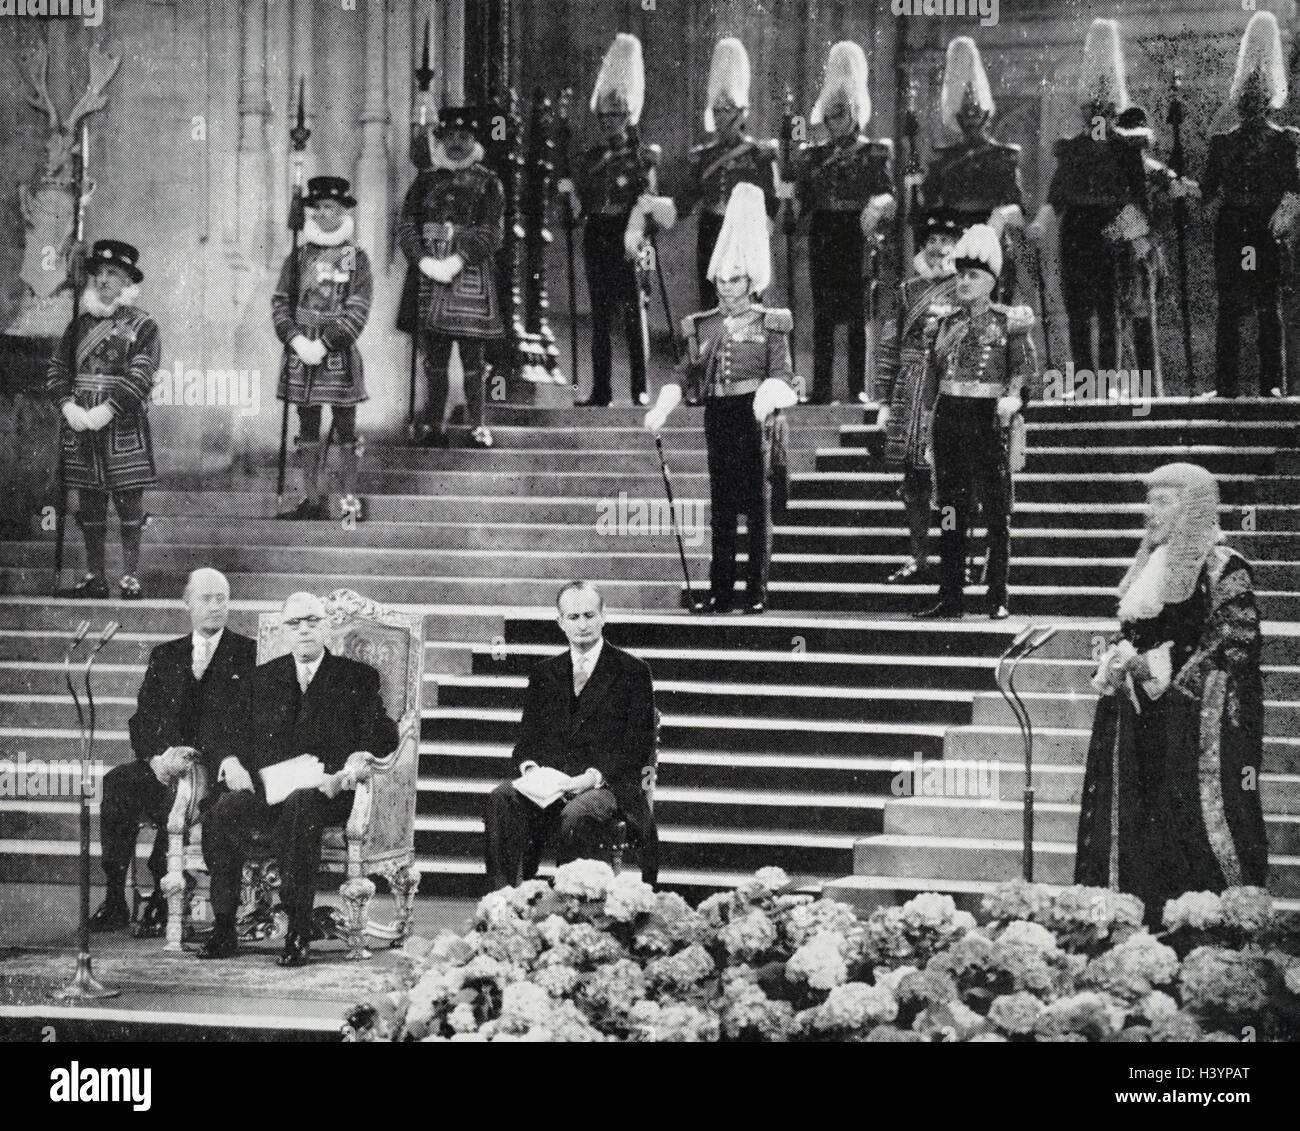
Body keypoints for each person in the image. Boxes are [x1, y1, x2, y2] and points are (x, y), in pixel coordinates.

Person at [1075, 463, 1267, 926]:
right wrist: (1120, 662)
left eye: (1163, 502)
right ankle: (1133, 921)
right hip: (1141, 719)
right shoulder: (1149, 565)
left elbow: (1233, 642)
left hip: (1190, 726)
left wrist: (1164, 670)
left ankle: (1207, 924)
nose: (1150, 512)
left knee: (1190, 820)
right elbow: (1134, 633)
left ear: (1192, 508)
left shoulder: (1223, 566)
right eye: (1150, 500)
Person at [197, 591, 398, 966]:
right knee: (225, 808)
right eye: (294, 623)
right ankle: (224, 924)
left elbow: (383, 737)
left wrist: (349, 771)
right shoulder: (262, 678)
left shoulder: (357, 677)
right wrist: (230, 760)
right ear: (282, 631)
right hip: (270, 789)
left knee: (301, 804)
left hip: (326, 792)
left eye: (312, 621)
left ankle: (298, 928)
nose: (304, 630)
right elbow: (223, 729)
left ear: (327, 627)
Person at [645, 183, 797, 614]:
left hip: (756, 415)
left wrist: (769, 398)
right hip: (719, 413)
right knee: (723, 506)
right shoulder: (703, 325)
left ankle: (756, 592)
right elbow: (684, 372)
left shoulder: (772, 323)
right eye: (722, 280)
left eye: (737, 280)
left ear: (752, 281)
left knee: (757, 504)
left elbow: (785, 376)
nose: (728, 288)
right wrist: (662, 406)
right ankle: (720, 590)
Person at [86, 568, 257, 935]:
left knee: (182, 800)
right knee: (115, 784)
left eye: (221, 599)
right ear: (187, 603)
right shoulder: (166, 655)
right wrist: (157, 758)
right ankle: (116, 897)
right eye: (205, 598)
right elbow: (143, 720)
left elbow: (251, 725)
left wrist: (208, 757)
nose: (214, 606)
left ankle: (166, 897)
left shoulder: (250, 654)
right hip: (167, 764)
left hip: (217, 770)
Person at [484, 581, 656, 890]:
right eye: (573, 617)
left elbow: (636, 747)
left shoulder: (632, 671)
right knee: (503, 797)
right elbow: (527, 741)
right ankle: (503, 901)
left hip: (607, 786)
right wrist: (533, 771)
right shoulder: (544, 673)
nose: (582, 625)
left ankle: (572, 906)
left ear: (604, 616)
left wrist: (589, 779)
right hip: (552, 786)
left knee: (578, 812)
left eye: (589, 615)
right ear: (560, 622)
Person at [914, 224, 1037, 621]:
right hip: (951, 419)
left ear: (991, 282)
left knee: (996, 512)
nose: (964, 282)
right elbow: (933, 380)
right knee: (950, 509)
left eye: (973, 276)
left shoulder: (1009, 323)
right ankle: (951, 595)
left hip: (989, 421)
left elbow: (1023, 371)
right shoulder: (943, 324)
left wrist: (1013, 398)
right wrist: (929, 430)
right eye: (960, 274)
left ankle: (997, 595)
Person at [558, 33, 674, 408]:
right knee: (600, 314)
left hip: (632, 235)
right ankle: (602, 390)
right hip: (599, 233)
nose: (610, 122)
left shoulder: (644, 157)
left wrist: (641, 226)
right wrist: (568, 201)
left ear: (629, 115)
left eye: (617, 115)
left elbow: (652, 203)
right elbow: (579, 201)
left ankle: (641, 389)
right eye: (605, 115)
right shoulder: (590, 158)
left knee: (634, 312)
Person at [46, 239, 161, 600]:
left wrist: (105, 410)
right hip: (80, 424)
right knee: (90, 505)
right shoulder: (76, 326)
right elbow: (57, 370)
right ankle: (95, 576)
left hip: (122, 424)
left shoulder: (144, 326)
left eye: (113, 273)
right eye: (99, 272)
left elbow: (141, 376)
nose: (104, 280)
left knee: (129, 504)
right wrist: (68, 407)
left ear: (128, 281)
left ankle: (130, 577)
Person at [1028, 19, 1138, 376]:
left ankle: (1108, 380)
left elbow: (1137, 199)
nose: (1096, 116)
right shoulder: (1073, 149)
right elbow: (1057, 193)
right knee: (1078, 308)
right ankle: (1083, 380)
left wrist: (1135, 237)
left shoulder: (1127, 147)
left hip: (1113, 228)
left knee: (1110, 309)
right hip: (1076, 230)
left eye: (1103, 110)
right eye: (1092, 109)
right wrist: (1042, 221)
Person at [1202, 11, 1300, 399]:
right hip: (1244, 227)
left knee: (1261, 306)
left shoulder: (1283, 141)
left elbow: (1294, 188)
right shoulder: (1226, 143)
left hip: (1256, 227)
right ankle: (1246, 385)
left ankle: (1265, 384)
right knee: (1246, 306)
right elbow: (1207, 191)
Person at [794, 40, 894, 405]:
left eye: (843, 114)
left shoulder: (873, 151)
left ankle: (856, 387)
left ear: (856, 113)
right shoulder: (813, 154)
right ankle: (820, 388)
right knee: (822, 314)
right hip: (824, 230)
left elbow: (888, 194)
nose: (837, 123)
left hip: (855, 230)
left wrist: (876, 207)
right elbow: (801, 199)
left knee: (855, 314)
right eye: (831, 115)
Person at [398, 106, 504, 449]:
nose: (457, 143)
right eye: (451, 137)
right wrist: (422, 261)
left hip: (469, 274)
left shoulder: (489, 183)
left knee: (474, 359)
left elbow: (492, 231)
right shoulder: (425, 180)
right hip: (429, 275)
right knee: (435, 358)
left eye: (465, 137)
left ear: (474, 140)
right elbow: (407, 225)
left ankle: (477, 424)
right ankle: (434, 425)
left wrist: (460, 258)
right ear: (441, 140)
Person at [273, 176, 373, 521]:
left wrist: (327, 342)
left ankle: (348, 499)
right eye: (317, 208)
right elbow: (280, 302)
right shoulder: (297, 258)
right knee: (308, 425)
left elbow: (358, 308)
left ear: (344, 211)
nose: (322, 214)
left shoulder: (354, 257)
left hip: (337, 352)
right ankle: (312, 499)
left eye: (331, 208)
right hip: (301, 350)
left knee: (346, 425)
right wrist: (296, 339)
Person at [873, 209, 964, 585]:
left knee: (952, 482)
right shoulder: (906, 291)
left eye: (946, 242)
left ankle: (954, 559)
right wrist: (882, 400)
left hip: (948, 389)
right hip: (910, 392)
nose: (938, 249)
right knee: (914, 481)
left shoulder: (966, 286)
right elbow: (889, 345)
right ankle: (919, 557)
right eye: (932, 242)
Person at [676, 37, 781, 309]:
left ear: (741, 113)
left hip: (744, 231)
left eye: (728, 111)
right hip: (711, 229)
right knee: (710, 301)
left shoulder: (759, 154)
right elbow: (686, 202)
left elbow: (772, 202)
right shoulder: (702, 156)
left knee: (745, 305)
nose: (722, 117)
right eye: (717, 111)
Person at [921, 37, 1024, 303]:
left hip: (993, 237)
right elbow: (929, 208)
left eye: (976, 113)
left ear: (986, 115)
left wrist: (1000, 218)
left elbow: (1019, 208)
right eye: (965, 114)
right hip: (953, 240)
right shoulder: (944, 160)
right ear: (957, 117)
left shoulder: (1004, 156)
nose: (971, 119)